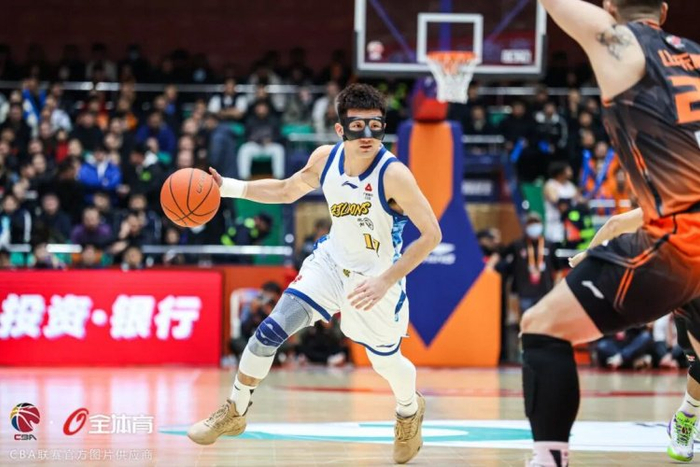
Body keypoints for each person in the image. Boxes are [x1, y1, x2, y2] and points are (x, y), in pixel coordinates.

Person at [188, 83, 442, 464]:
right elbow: (286, 190)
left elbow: (432, 235)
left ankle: (409, 410)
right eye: (357, 126)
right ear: (340, 129)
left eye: (376, 125)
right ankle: (235, 410)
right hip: (330, 264)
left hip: (376, 279)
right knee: (268, 332)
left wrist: (386, 280)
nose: (368, 135)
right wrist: (229, 188)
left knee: (386, 362)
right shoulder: (326, 159)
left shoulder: (394, 175)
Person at [519, 1, 700, 465]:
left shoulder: (624, 44)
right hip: (677, 224)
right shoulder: (696, 57)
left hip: (680, 245)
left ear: (609, 7)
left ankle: (550, 458)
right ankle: (689, 413)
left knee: (542, 327)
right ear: (664, 10)